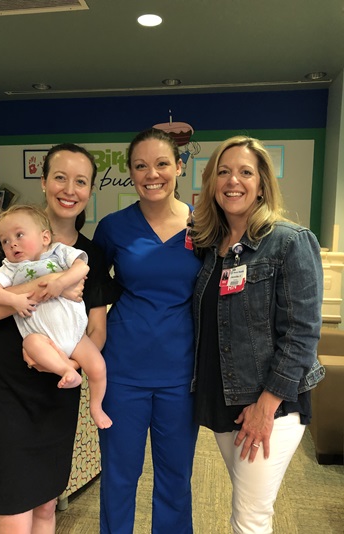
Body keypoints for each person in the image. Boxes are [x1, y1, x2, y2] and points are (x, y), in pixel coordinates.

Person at [0, 143, 120, 533]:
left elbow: (96, 330)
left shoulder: (88, 255)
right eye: (60, 177)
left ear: (90, 190)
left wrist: (64, 364)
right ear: (43, 182)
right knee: (11, 505)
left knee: (44, 505)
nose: (69, 189)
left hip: (56, 388)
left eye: (81, 181)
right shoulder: (9, 236)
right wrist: (48, 284)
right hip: (2, 387)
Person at [191, 135, 325, 534]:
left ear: (262, 183)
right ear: (213, 182)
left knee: (249, 519)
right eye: (224, 171)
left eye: (246, 172)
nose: (234, 181)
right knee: (250, 505)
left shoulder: (289, 241)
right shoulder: (210, 244)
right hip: (225, 398)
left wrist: (265, 407)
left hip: (270, 404)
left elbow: (302, 333)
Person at [93, 127, 203, 533]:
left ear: (178, 166)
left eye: (161, 163)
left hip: (181, 372)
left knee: (176, 477)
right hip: (122, 370)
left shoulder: (203, 225)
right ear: (131, 172)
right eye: (140, 166)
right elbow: (90, 288)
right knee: (120, 477)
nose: (151, 173)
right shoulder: (113, 227)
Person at [0, 204, 112, 428]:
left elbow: (82, 267)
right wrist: (14, 300)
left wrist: (59, 282)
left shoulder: (58, 252)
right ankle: (66, 371)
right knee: (31, 343)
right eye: (5, 240)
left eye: (19, 235)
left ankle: (96, 407)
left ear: (44, 237)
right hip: (41, 337)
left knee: (98, 367)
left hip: (75, 335)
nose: (12, 243)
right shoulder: (10, 267)